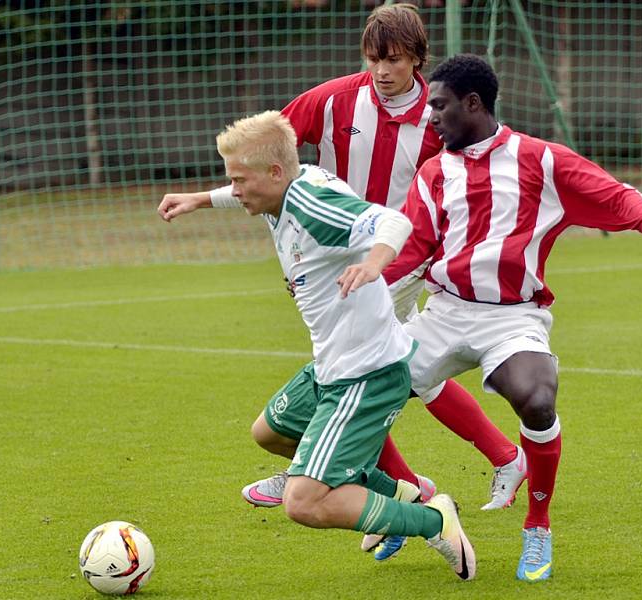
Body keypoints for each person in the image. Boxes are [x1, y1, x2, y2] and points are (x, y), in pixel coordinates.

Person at [159, 2, 526, 558]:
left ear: (417, 60)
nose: (382, 70)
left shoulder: (437, 113)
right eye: (373, 58)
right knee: (387, 374)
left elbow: (454, 179)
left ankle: (404, 491)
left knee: (389, 372)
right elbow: (265, 159)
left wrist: (391, 257)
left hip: (394, 254)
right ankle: (415, 483)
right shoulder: (333, 100)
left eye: (395, 60)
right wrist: (205, 197)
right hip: (330, 251)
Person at [380, 54, 642, 583]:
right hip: (443, 314)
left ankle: (537, 526)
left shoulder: (540, 160)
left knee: (537, 398)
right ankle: (408, 503)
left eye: (439, 106)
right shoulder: (433, 172)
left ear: (473, 104)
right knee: (361, 397)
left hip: (513, 317)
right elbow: (412, 248)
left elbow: (613, 194)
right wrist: (358, 282)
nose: (431, 117)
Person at [157, 110, 476, 581]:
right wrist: (200, 199)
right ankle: (396, 494)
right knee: (271, 432)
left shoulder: (311, 205)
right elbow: (243, 190)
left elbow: (391, 222)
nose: (235, 188)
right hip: (330, 365)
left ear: (276, 173)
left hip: (365, 374)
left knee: (304, 503)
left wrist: (374, 265)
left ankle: (433, 518)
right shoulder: (279, 190)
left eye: (239, 179)